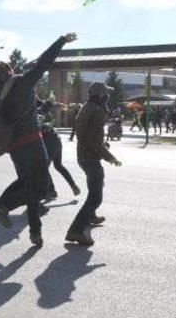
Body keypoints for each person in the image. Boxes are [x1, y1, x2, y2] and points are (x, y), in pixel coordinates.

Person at [0, 33, 77, 247]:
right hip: (32, 143)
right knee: (41, 188)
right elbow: (43, 62)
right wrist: (61, 40)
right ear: (8, 69)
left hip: (15, 149)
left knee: (30, 187)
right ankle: (2, 205)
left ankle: (35, 232)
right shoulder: (19, 84)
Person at [65, 82, 122, 246]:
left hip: (83, 155)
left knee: (96, 184)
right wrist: (111, 157)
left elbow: (89, 136)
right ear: (102, 96)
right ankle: (75, 230)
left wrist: (101, 145)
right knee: (95, 197)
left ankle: (91, 216)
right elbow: (93, 141)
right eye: (107, 95)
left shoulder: (87, 107)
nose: (108, 97)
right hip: (90, 157)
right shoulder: (97, 111)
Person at [36, 97, 81, 199]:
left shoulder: (39, 112)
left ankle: (51, 191)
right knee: (58, 165)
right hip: (56, 141)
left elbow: (39, 127)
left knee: (43, 168)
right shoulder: (45, 110)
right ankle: (73, 186)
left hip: (49, 143)